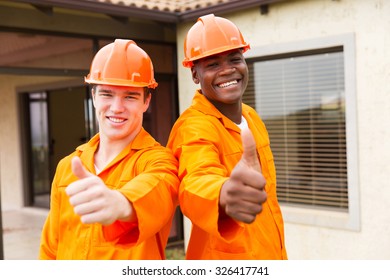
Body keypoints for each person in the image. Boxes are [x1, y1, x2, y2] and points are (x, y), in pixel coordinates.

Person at [39, 39, 179, 260]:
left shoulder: (159, 162)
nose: (116, 108)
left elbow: (159, 188)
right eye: (106, 94)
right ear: (93, 97)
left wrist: (122, 203)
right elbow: (50, 248)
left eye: (130, 96)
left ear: (146, 102)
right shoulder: (68, 166)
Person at [167, 14, 287, 260]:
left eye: (235, 59)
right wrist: (222, 193)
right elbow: (196, 179)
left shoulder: (251, 117)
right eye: (212, 64)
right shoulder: (194, 126)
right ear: (195, 75)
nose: (228, 70)